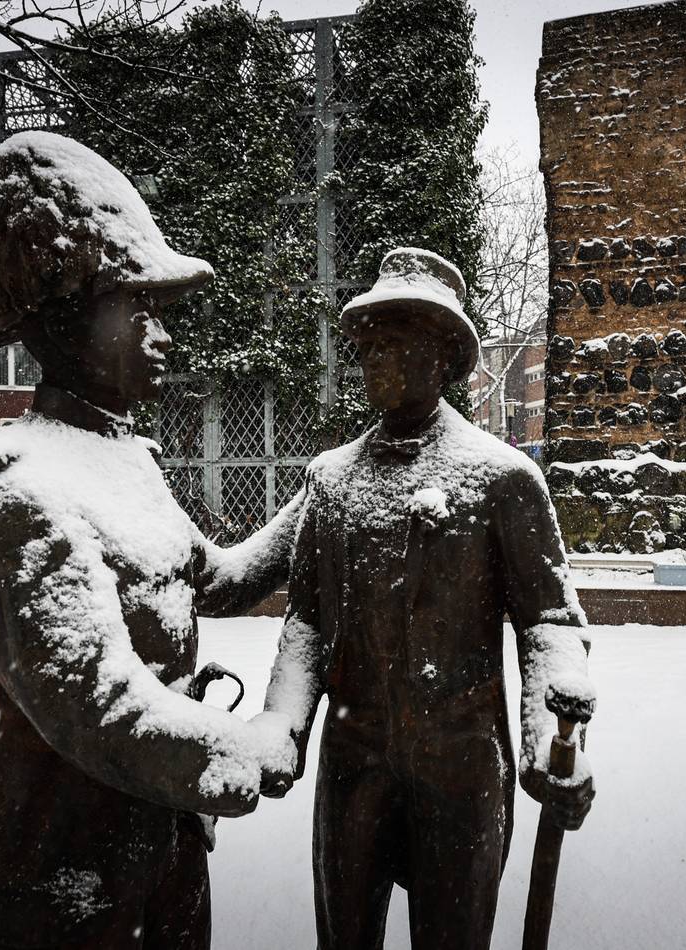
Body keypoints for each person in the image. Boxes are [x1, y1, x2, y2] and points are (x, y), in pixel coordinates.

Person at [0, 131, 297, 950]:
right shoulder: (15, 489)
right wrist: (233, 746)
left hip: (158, 841)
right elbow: (92, 703)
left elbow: (219, 579)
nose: (163, 336)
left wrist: (319, 494)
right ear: (68, 318)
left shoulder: (124, 460)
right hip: (62, 865)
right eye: (141, 310)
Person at [262, 248, 596, 950]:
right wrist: (283, 731)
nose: (372, 359)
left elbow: (549, 620)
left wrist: (546, 745)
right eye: (366, 345)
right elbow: (308, 623)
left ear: (443, 357)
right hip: (354, 764)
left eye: (395, 342)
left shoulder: (501, 479)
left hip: (461, 767)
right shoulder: (332, 481)